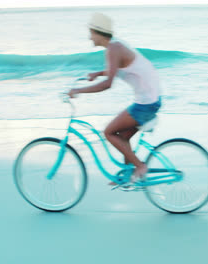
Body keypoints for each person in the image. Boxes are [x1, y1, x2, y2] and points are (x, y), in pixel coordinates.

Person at [68, 13, 162, 184]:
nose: (90, 38)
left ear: (98, 32)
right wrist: (98, 73)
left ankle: (140, 167)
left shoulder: (113, 49)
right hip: (151, 99)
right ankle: (128, 174)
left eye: (91, 33)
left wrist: (79, 90)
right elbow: (118, 68)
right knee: (123, 137)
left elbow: (107, 84)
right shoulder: (115, 46)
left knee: (109, 132)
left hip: (146, 103)